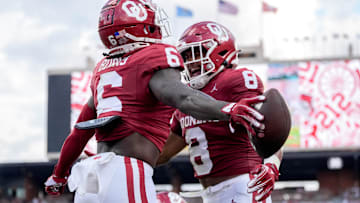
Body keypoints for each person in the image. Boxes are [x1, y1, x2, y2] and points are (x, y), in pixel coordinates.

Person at [44, 1, 266, 203]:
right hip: (126, 171)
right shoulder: (153, 55)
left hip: (88, 179)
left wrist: (58, 174)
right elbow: (184, 97)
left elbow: (79, 133)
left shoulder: (103, 69)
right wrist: (228, 108)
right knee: (172, 200)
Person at [157, 21, 283, 203]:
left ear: (221, 51)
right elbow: (163, 153)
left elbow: (271, 128)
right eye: (186, 56)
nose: (190, 62)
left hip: (243, 187)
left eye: (196, 53)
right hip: (211, 194)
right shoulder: (188, 100)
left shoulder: (235, 80)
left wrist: (272, 165)